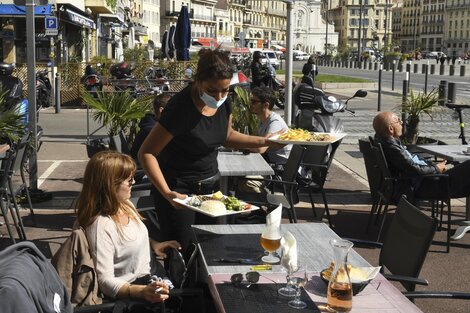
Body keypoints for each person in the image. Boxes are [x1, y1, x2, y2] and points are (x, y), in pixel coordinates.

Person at [138, 48, 282, 251]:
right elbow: (147, 152)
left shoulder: (224, 102)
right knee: (183, 252)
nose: (219, 96)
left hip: (211, 187)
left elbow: (227, 137)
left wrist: (264, 141)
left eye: (225, 90)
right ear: (198, 81)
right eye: (212, 90)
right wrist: (167, 192)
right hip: (179, 190)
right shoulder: (179, 108)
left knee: (211, 249)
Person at [75, 150, 181, 303]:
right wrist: (141, 292)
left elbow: (126, 239)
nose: (134, 184)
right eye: (130, 181)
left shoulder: (124, 205)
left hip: (153, 277)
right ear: (110, 185)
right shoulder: (101, 226)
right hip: (134, 292)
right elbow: (105, 282)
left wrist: (153, 244)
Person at [373, 111, 470, 199]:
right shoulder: (391, 146)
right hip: (421, 186)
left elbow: (412, 162)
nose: (401, 123)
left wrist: (433, 166)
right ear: (390, 129)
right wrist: (436, 168)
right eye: (398, 121)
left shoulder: (387, 142)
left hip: (419, 181)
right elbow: (414, 169)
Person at [131, 93, 171, 162]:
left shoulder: (150, 125)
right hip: (141, 168)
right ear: (161, 110)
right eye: (173, 110)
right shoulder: (153, 130)